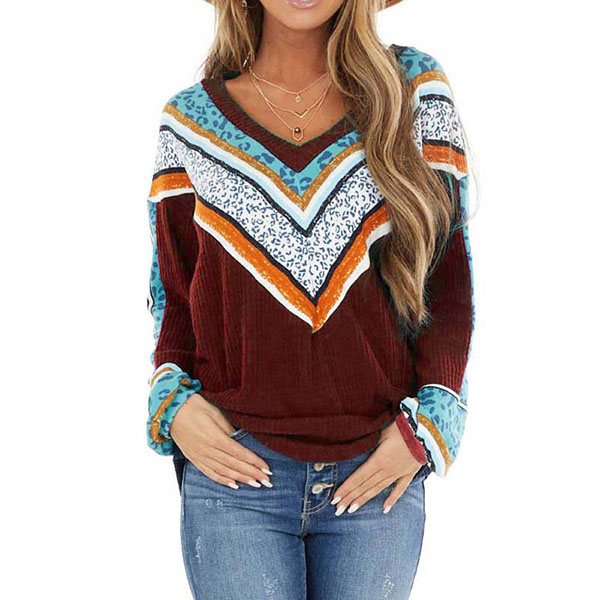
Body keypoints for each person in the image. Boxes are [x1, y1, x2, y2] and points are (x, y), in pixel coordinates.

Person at [145, 0, 475, 597]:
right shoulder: (190, 122)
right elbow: (176, 295)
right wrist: (173, 404)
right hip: (235, 475)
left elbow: (449, 284)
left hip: (375, 472)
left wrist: (430, 425)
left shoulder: (413, 92)